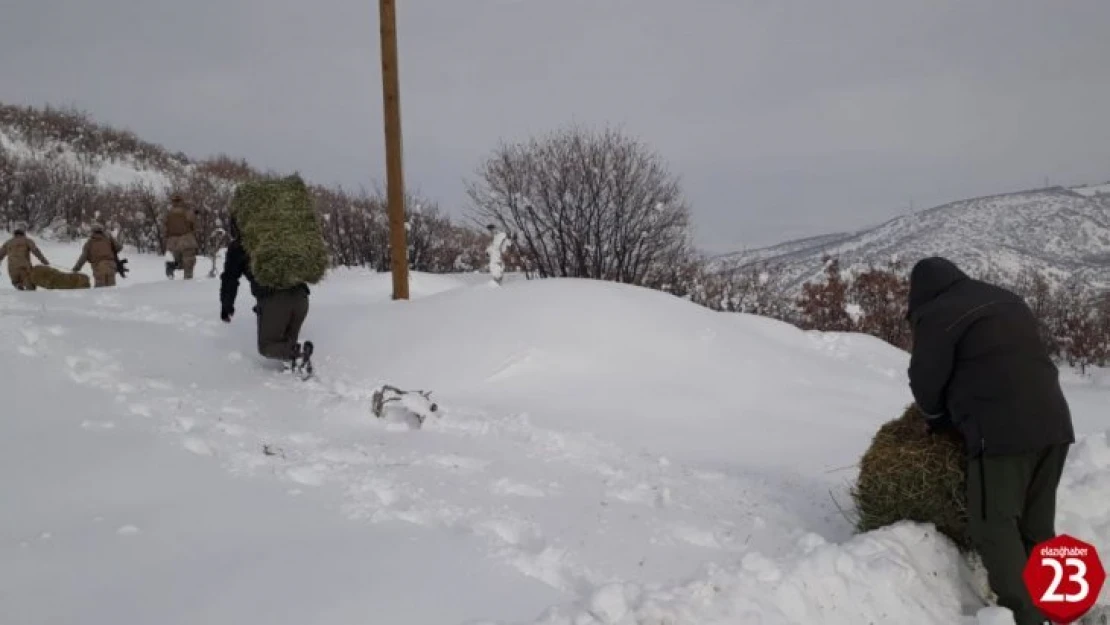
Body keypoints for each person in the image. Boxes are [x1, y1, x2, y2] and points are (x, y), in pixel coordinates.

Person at [905, 256, 1075, 625]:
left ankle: (1027, 617)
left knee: (994, 526)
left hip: (1001, 430)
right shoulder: (1004, 298)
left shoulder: (936, 312)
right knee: (1037, 527)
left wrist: (936, 419)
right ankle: (1060, 608)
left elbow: (925, 378)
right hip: (1054, 422)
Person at [219, 217, 313, 371]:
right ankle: (297, 364)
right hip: (301, 297)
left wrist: (226, 306)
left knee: (267, 346)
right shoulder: (278, 236)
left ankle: (300, 350)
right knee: (287, 343)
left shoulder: (239, 247)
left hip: (274, 300)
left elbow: (230, 279)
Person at [163, 193, 198, 280]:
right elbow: (193, 224)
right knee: (188, 261)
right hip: (186, 240)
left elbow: (165, 227)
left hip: (172, 241)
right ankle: (187, 281)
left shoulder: (168, 213)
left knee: (173, 260)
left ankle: (170, 271)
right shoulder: (187, 212)